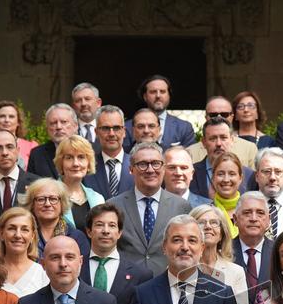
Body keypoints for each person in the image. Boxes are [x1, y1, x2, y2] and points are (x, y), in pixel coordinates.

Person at [108, 141, 193, 276]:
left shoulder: (182, 206)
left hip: (167, 284)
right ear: (131, 169)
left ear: (163, 168)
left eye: (155, 163)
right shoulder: (113, 206)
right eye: (142, 164)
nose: (150, 169)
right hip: (126, 284)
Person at [21, 178, 90, 258]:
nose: (47, 204)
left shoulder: (77, 237)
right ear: (32, 204)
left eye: (53, 199)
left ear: (62, 204)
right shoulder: (22, 235)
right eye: (41, 199)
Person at [0, 207, 49, 298]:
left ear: (32, 236)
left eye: (25, 229)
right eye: (12, 228)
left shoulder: (42, 274)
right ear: (1, 234)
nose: (18, 235)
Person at [83, 105, 133, 200]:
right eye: (106, 128)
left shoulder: (138, 165)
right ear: (96, 132)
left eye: (116, 128)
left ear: (124, 132)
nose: (111, 134)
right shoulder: (86, 168)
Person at [54, 135, 104, 229]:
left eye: (81, 157)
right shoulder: (50, 196)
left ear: (88, 162)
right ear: (61, 162)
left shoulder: (98, 198)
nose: (76, 164)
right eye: (69, 158)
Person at [134, 74, 196, 148]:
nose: (158, 96)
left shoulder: (184, 128)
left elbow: (190, 157)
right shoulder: (128, 128)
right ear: (145, 96)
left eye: (162, 91)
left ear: (169, 95)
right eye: (153, 92)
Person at [27, 104, 76, 179]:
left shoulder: (88, 151)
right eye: (53, 123)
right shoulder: (37, 155)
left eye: (64, 122)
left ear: (75, 126)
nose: (58, 127)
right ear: (47, 128)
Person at [0, 101, 38, 167]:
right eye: (2, 116)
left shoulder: (31, 147)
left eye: (11, 116)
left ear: (18, 122)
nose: (6, 120)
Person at [210, 152, 245, 236]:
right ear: (213, 178)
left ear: (240, 178)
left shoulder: (251, 211)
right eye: (220, 174)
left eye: (232, 174)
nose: (226, 179)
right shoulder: (206, 213)